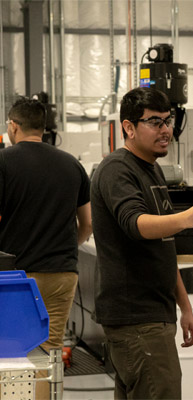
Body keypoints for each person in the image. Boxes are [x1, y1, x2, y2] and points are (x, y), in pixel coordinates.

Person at [91, 87, 193, 400]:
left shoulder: (151, 169)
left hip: (154, 315)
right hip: (136, 318)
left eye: (168, 121)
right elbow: (136, 225)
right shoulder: (117, 169)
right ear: (128, 127)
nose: (165, 130)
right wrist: (189, 218)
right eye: (154, 122)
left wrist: (185, 307)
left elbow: (163, 248)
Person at [0, 97, 92, 400]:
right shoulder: (72, 165)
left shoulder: (4, 162)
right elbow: (88, 224)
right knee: (50, 354)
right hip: (62, 274)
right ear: (43, 128)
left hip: (16, 279)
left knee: (10, 355)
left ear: (14, 126)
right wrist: (66, 247)